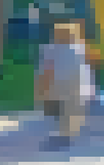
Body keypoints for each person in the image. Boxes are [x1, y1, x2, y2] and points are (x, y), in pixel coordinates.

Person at [36, 20, 93, 149]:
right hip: (78, 86)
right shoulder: (80, 48)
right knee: (72, 111)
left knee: (61, 111)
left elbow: (47, 70)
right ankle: (67, 135)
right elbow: (86, 69)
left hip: (59, 86)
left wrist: (43, 87)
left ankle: (62, 136)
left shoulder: (50, 49)